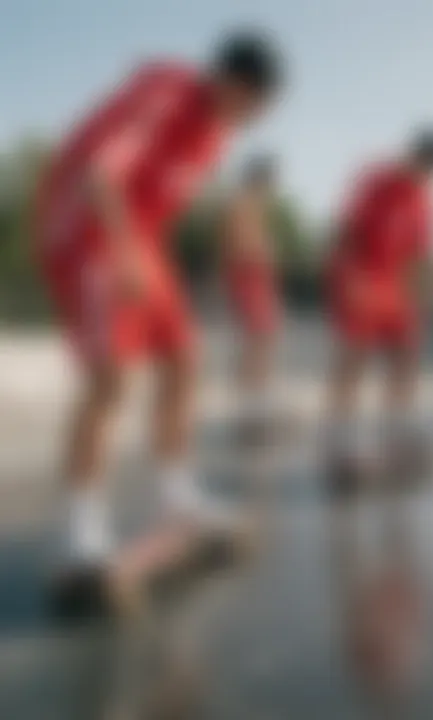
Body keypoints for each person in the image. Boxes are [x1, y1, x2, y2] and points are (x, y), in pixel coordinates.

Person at [35, 30, 285, 568]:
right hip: (86, 231)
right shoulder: (166, 90)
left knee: (183, 363)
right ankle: (84, 532)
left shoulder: (213, 134)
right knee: (110, 380)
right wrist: (123, 251)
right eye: (259, 104)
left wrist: (145, 257)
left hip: (140, 238)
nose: (258, 118)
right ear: (235, 83)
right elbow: (99, 171)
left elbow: (160, 204)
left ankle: (179, 498)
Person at [324, 128, 433, 468]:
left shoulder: (426, 200)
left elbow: (422, 255)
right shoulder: (376, 179)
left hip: (395, 284)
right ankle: (342, 438)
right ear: (413, 154)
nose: (427, 174)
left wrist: (424, 296)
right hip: (361, 272)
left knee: (407, 355)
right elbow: (347, 229)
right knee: (356, 356)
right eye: (424, 163)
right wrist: (351, 278)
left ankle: (396, 430)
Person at [222, 155, 283, 435]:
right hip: (250, 280)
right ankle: (250, 412)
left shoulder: (254, 205)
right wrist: (263, 251)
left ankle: (258, 407)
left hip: (258, 280)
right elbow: (237, 247)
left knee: (262, 344)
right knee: (255, 345)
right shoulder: (244, 203)